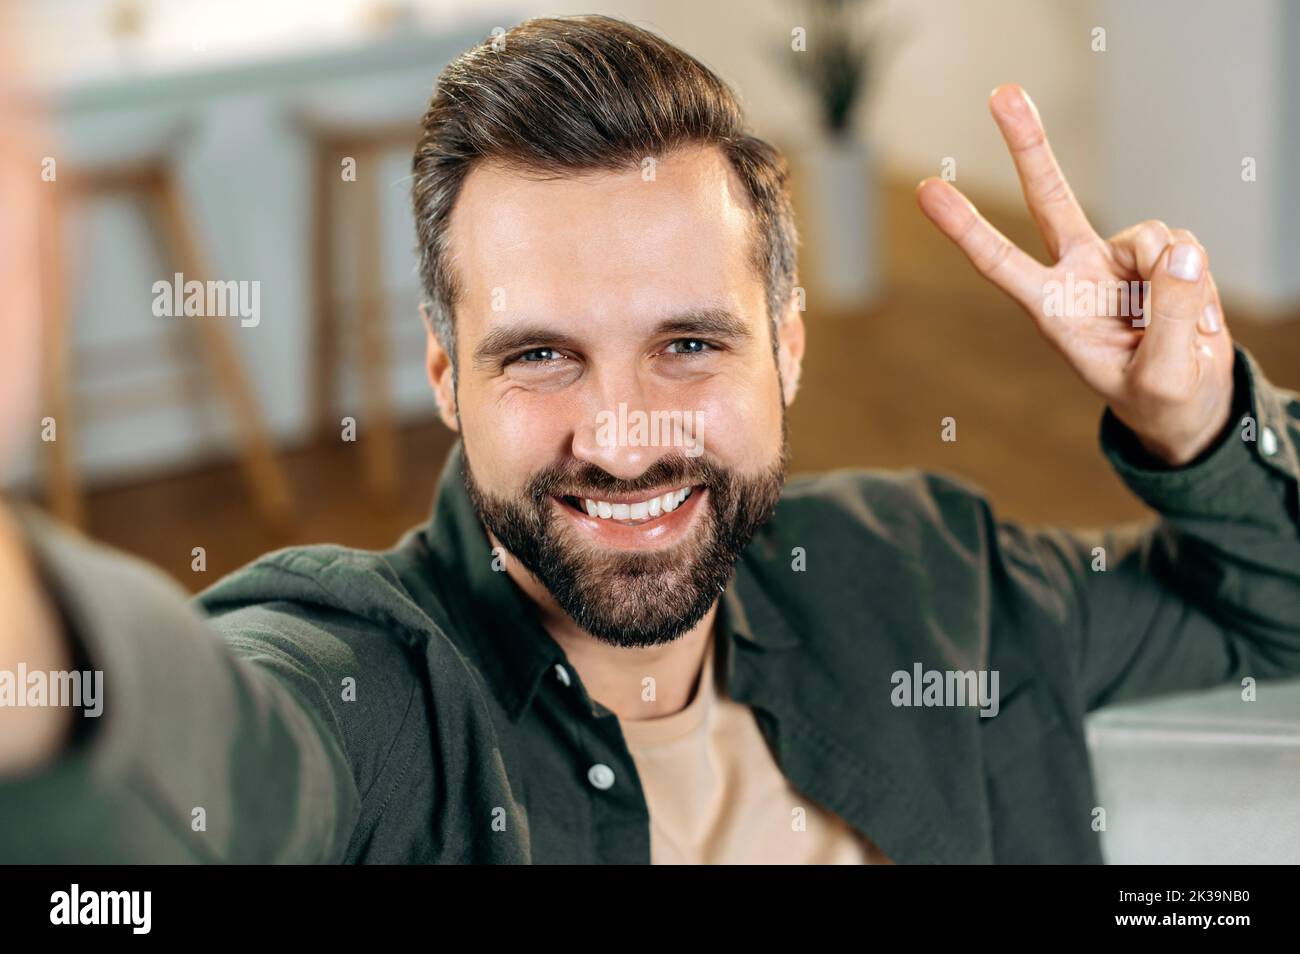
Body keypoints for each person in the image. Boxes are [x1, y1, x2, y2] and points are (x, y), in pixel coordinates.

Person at [2, 14, 1298, 864]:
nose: (622, 439)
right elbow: (204, 762)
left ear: (786, 344)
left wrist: (1196, 421)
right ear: (446, 374)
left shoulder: (925, 572)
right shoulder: (380, 693)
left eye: (689, 343)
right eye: (541, 354)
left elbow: (1268, 620)